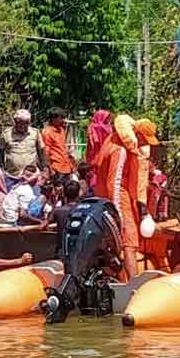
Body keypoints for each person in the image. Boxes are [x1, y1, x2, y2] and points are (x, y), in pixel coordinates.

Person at [94, 115, 159, 281]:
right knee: (130, 242)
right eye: (144, 140)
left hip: (112, 199)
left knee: (113, 242)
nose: (145, 144)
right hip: (117, 200)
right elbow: (114, 183)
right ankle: (133, 283)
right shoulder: (120, 150)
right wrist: (119, 217)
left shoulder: (113, 140)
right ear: (137, 135)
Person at [0, 109, 44, 186]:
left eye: (25, 123)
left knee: (32, 197)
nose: (23, 126)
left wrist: (44, 168)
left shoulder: (35, 133)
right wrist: (2, 168)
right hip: (12, 176)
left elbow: (41, 150)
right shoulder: (6, 134)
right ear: (15, 122)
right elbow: (0, 152)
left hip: (31, 176)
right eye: (20, 123)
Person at [48, 180, 82, 256]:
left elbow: (44, 225)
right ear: (79, 193)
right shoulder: (84, 210)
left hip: (62, 251)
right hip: (80, 251)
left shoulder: (58, 211)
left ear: (64, 194)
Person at [42, 107, 75, 176]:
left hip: (66, 166)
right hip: (56, 168)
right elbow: (46, 152)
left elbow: (62, 148)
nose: (63, 120)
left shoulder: (61, 130)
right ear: (53, 118)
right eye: (61, 118)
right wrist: (50, 168)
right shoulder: (47, 132)